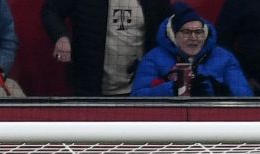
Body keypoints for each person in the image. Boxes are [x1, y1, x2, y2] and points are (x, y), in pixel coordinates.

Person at [41, 0, 170, 97]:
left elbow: (169, 24)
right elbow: (51, 11)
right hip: (90, 86)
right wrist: (61, 37)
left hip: (139, 88)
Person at [132, 4, 252, 98]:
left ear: (205, 34)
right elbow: (137, 97)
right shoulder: (153, 58)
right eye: (186, 32)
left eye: (198, 32)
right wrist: (173, 89)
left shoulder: (224, 57)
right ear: (173, 35)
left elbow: (245, 96)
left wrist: (218, 91)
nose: (193, 38)